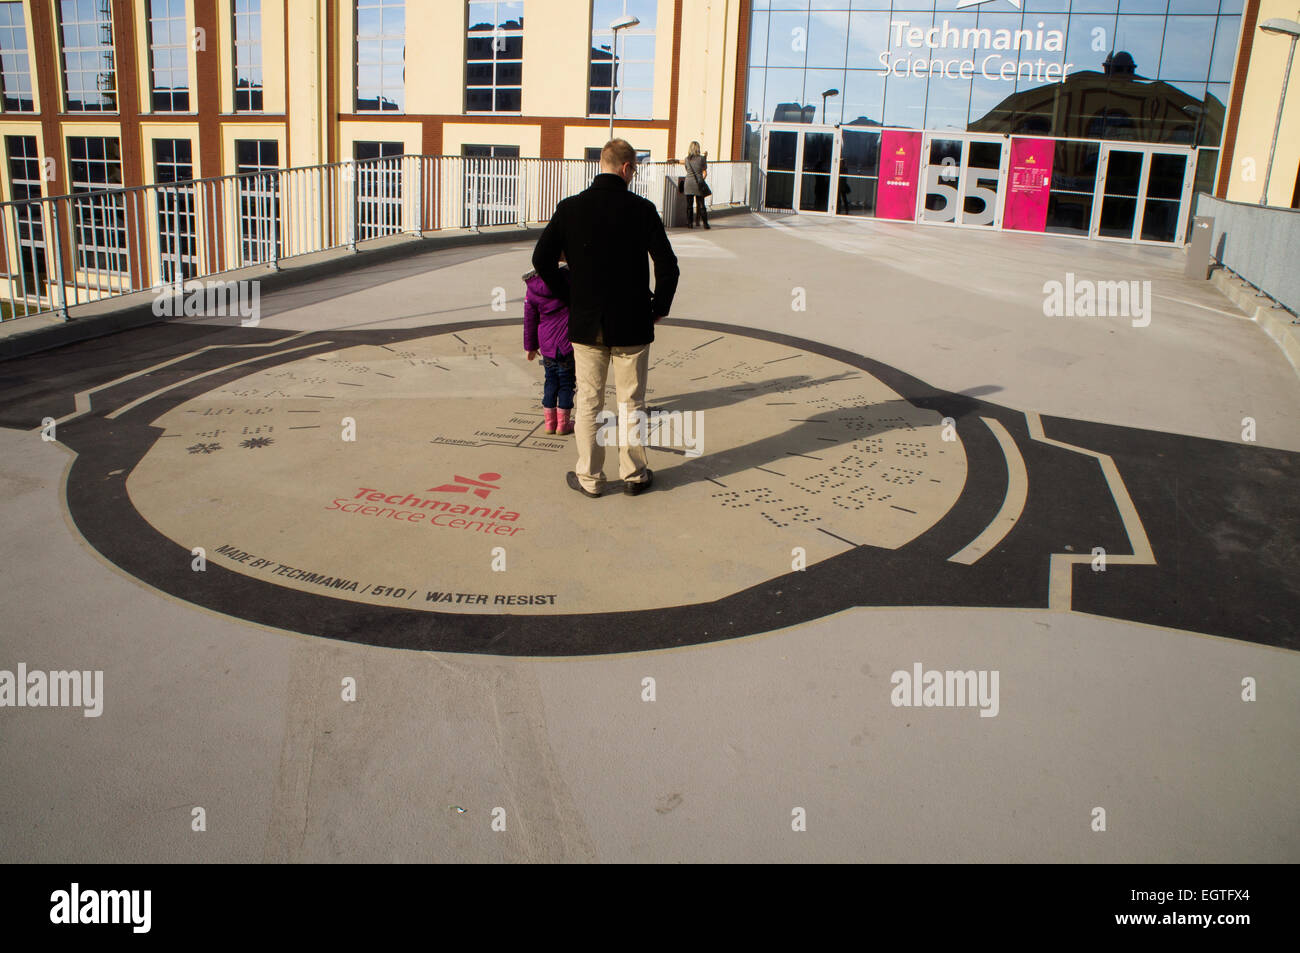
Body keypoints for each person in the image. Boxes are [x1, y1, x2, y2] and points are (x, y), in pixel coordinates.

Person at [531, 138, 679, 498]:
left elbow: (541, 261)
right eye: (635, 169)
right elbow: (668, 265)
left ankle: (591, 479)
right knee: (631, 402)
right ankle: (634, 474)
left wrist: (571, 296)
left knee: (589, 402)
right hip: (632, 323)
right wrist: (659, 306)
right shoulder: (642, 209)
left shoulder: (570, 208)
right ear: (627, 168)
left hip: (586, 325)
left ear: (602, 164)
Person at [522, 256, 574, 435]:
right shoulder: (567, 279)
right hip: (567, 342)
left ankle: (549, 423)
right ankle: (563, 424)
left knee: (550, 381)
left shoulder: (532, 289)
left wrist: (530, 347)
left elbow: (530, 320)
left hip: (547, 344)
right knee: (566, 383)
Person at [682, 140, 709, 229]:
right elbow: (705, 172)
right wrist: (702, 180)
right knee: (701, 204)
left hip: (688, 183)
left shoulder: (687, 159)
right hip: (698, 184)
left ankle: (690, 224)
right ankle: (705, 224)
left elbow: (687, 170)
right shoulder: (701, 159)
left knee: (689, 205)